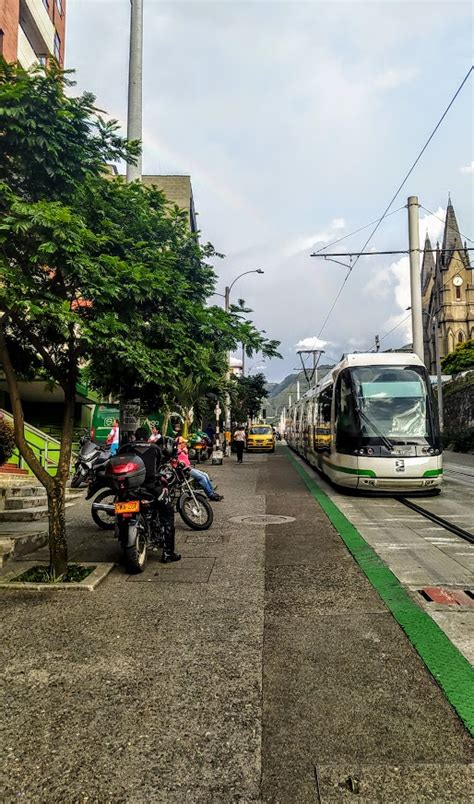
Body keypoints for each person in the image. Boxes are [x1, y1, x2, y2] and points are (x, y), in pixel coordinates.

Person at [120, 427, 180, 563]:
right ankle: (168, 553)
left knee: (120, 512)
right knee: (167, 512)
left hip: (128, 489)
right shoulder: (155, 448)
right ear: (148, 437)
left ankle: (124, 543)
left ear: (134, 436)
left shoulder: (126, 447)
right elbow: (159, 465)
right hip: (150, 488)